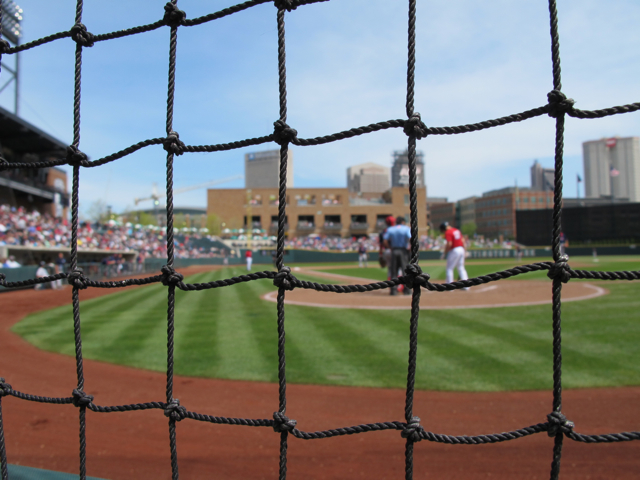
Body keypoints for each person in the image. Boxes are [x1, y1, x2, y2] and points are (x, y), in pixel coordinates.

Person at [383, 216, 411, 295]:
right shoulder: (406, 228)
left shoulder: (390, 229)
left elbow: (385, 241)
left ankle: (393, 290)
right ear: (403, 222)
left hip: (394, 250)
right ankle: (407, 290)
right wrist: (410, 248)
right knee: (405, 271)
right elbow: (411, 239)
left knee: (393, 271)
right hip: (403, 251)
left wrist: (390, 248)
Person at [440, 222, 469, 289]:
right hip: (461, 249)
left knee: (449, 268)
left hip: (454, 250)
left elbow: (449, 244)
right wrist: (465, 251)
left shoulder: (448, 232)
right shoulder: (457, 230)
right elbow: (463, 240)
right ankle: (466, 286)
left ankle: (450, 286)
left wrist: (444, 253)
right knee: (461, 268)